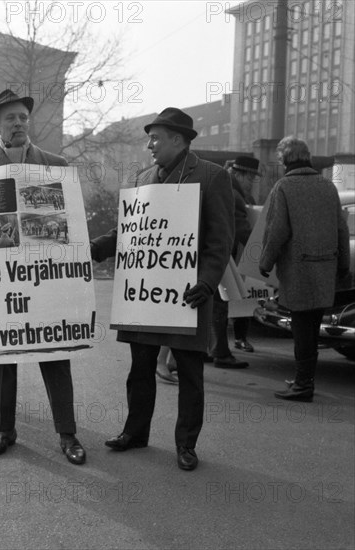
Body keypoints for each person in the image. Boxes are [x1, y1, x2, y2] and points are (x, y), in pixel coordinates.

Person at [91, 107, 234, 470]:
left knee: (189, 372)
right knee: (140, 368)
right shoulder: (142, 179)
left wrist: (206, 282)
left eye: (155, 137)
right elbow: (129, 231)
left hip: (186, 295)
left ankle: (186, 445)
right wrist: (94, 249)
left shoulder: (211, 177)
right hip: (145, 294)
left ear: (178, 139)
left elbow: (220, 241)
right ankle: (135, 433)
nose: (149, 145)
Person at [0, 89, 86, 466]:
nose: (19, 124)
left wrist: (76, 274)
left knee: (55, 352)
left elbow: (70, 226)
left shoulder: (54, 164)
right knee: (0, 353)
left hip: (43, 281)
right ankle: (4, 429)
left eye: (23, 117)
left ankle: (68, 434)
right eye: (11, 118)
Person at [259, 136, 350, 402]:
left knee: (301, 330)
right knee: (311, 327)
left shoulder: (284, 187)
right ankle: (305, 380)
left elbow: (276, 231)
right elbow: (341, 229)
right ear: (307, 157)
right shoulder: (327, 187)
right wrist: (343, 265)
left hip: (298, 271)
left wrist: (264, 263)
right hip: (325, 270)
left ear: (284, 159)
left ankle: (303, 385)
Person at [211, 155, 261, 368]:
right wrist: (264, 253)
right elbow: (243, 232)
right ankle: (221, 353)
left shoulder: (221, 186)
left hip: (208, 254)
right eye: (251, 178)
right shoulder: (234, 195)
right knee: (219, 306)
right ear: (241, 174)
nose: (252, 184)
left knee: (208, 306)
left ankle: (208, 349)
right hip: (219, 257)